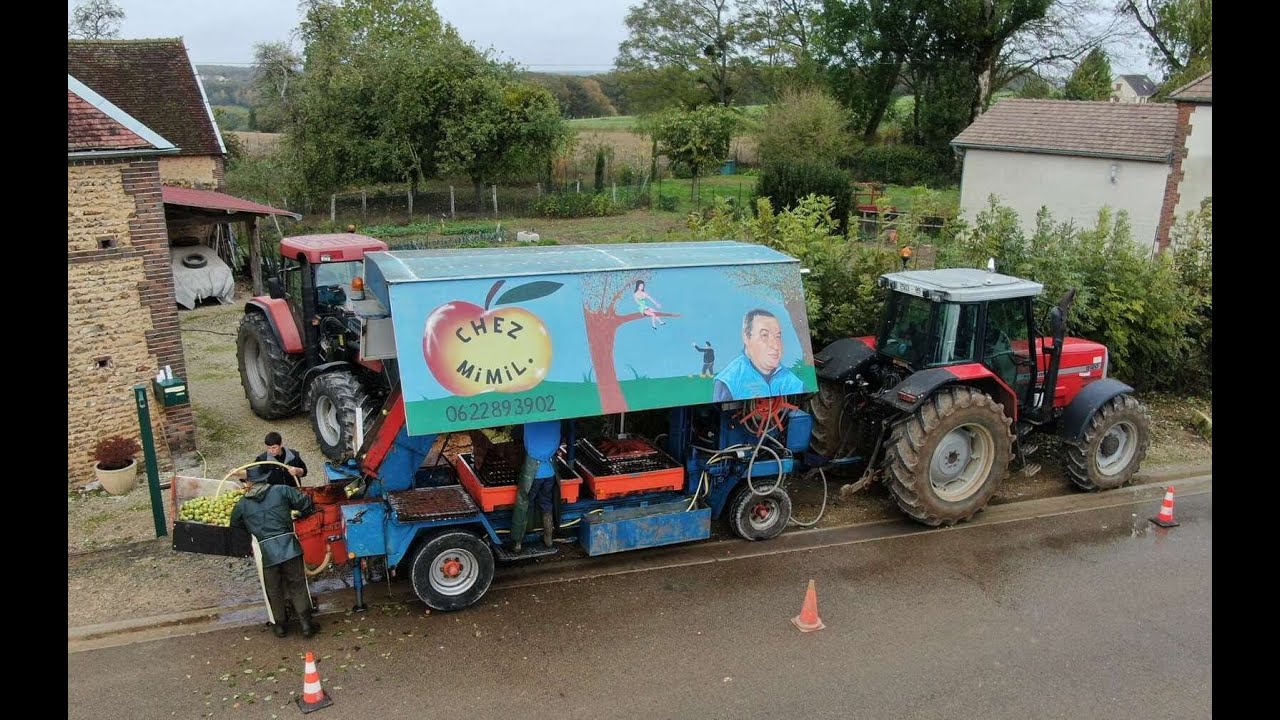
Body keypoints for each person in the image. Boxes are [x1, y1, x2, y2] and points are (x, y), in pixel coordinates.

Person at [230, 473, 318, 638]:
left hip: (267, 553)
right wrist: (302, 514)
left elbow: (234, 526)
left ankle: (280, 626)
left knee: (274, 589)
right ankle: (306, 625)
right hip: (290, 548)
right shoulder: (282, 490)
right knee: (297, 585)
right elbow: (305, 502)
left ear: (248, 483)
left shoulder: (242, 504)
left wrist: (250, 533)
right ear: (265, 479)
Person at [712, 309, 806, 401]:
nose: (775, 346)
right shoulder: (728, 382)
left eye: (778, 337)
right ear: (746, 337)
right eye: (764, 335)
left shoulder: (794, 382)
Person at [508, 420, 561, 554]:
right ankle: (548, 539)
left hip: (533, 473)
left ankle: (518, 542)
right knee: (546, 503)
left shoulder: (528, 420)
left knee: (524, 504)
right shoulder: (556, 420)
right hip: (550, 472)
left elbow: (514, 433)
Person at [234, 432, 307, 488]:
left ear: (281, 444)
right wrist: (238, 473)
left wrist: (297, 470)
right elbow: (251, 473)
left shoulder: (293, 455)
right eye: (268, 448)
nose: (271, 451)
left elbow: (304, 472)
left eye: (274, 447)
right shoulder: (263, 459)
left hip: (293, 490)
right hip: (273, 493)